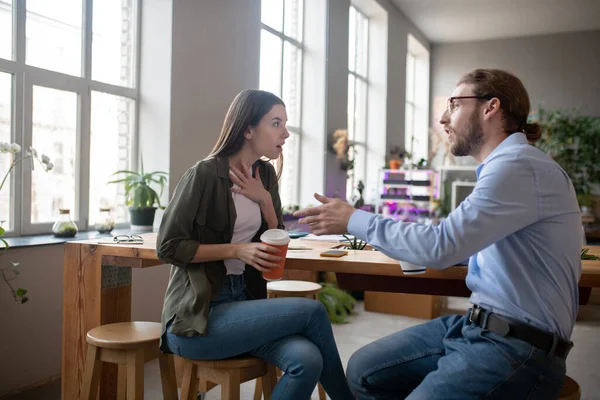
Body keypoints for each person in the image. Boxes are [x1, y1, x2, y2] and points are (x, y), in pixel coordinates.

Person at [294, 69, 582, 399]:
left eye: (454, 105)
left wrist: (354, 219)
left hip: (518, 349)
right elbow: (460, 244)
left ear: (491, 108)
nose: (444, 119)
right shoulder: (511, 167)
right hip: (478, 328)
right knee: (364, 370)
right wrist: (415, 243)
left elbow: (441, 246)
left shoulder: (517, 167)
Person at [156, 89, 354, 400]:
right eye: (276, 123)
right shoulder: (204, 175)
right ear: (247, 129)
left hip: (244, 305)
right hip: (198, 318)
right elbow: (167, 247)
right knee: (313, 312)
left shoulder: (265, 174)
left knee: (308, 360)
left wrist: (265, 202)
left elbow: (275, 245)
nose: (286, 133)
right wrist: (236, 250)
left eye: (286, 124)